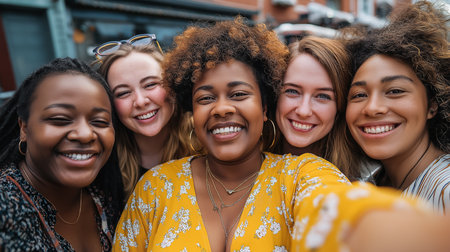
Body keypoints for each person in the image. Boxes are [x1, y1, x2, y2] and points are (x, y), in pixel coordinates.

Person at [112, 17, 450, 252]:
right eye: (205, 98)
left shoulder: (303, 173)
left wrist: (391, 232)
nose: (221, 108)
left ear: (264, 106)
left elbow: (339, 208)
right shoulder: (155, 187)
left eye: (239, 94)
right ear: (191, 111)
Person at [0, 57, 124, 251]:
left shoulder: (108, 196)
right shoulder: (5, 208)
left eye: (99, 122)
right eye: (60, 119)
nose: (84, 135)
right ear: (24, 128)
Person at [344, 1, 450, 213]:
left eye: (395, 91)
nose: (373, 108)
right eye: (359, 95)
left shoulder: (444, 192)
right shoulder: (370, 184)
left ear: (432, 104)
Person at [94, 35, 195, 198]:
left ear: (173, 83)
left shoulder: (205, 143)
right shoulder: (103, 165)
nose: (140, 102)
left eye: (150, 84)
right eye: (123, 93)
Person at [275, 36, 359, 179]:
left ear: (339, 107)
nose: (303, 111)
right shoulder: (243, 165)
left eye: (323, 96)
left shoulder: (362, 180)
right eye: (292, 91)